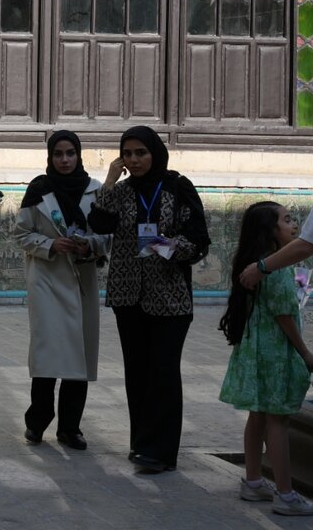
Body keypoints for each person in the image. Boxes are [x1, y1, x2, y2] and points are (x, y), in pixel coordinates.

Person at [87, 126, 210, 473]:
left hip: (170, 297)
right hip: (128, 295)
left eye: (140, 152)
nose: (134, 160)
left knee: (163, 372)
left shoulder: (177, 187)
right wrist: (109, 180)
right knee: (137, 372)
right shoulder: (122, 191)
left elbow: (199, 239)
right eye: (127, 154)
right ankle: (141, 444)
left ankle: (160, 452)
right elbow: (99, 223)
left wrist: (164, 246)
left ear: (155, 153)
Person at [11, 130, 110, 450]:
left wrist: (88, 245)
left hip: (81, 281)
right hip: (47, 280)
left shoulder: (95, 190)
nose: (64, 160)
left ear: (79, 156)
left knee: (79, 354)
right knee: (48, 351)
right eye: (58, 154)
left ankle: (70, 427)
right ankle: (37, 421)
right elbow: (21, 233)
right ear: (50, 157)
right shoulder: (39, 190)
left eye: (70, 153)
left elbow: (108, 235)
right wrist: (51, 244)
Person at [219, 202, 313, 516]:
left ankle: (253, 481)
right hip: (275, 354)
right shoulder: (275, 268)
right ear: (270, 230)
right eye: (287, 220)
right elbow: (284, 314)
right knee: (278, 420)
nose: (294, 224)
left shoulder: (253, 262)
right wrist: (305, 353)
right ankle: (286, 495)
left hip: (255, 352)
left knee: (258, 416)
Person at [239, 197, 313, 289]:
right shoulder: (264, 270)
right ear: (269, 229)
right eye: (287, 221)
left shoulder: (281, 263)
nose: (295, 226)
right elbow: (306, 246)